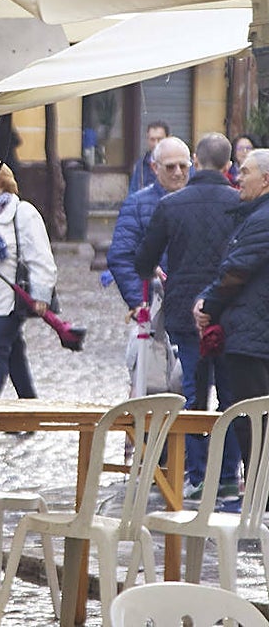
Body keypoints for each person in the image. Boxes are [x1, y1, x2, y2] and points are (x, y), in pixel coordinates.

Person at [134, 133, 240, 499]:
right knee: (231, 395)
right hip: (228, 311)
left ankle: (196, 475)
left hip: (183, 310)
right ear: (227, 165)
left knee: (194, 393)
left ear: (195, 160)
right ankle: (227, 476)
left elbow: (143, 260)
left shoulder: (171, 205)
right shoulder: (240, 202)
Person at [195, 148, 269, 470]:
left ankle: (259, 499)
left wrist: (207, 307)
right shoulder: (255, 215)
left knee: (253, 423)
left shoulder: (263, 218)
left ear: (266, 180)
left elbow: (236, 271)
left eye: (245, 172)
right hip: (255, 333)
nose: (237, 178)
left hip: (253, 338)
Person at [0, 159, 56, 399]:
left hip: (14, 298)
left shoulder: (22, 212)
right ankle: (29, 407)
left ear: (1, 183)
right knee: (14, 355)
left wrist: (41, 294)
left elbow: (40, 256)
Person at [108, 136, 192, 313]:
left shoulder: (200, 201)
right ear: (155, 167)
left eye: (183, 166)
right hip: (156, 305)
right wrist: (139, 301)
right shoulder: (136, 204)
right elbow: (122, 256)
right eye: (170, 167)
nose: (178, 172)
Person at [128, 120, 170, 195]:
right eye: (152, 139)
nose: (156, 144)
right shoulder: (141, 165)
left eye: (160, 139)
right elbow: (133, 194)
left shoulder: (180, 163)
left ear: (168, 138)